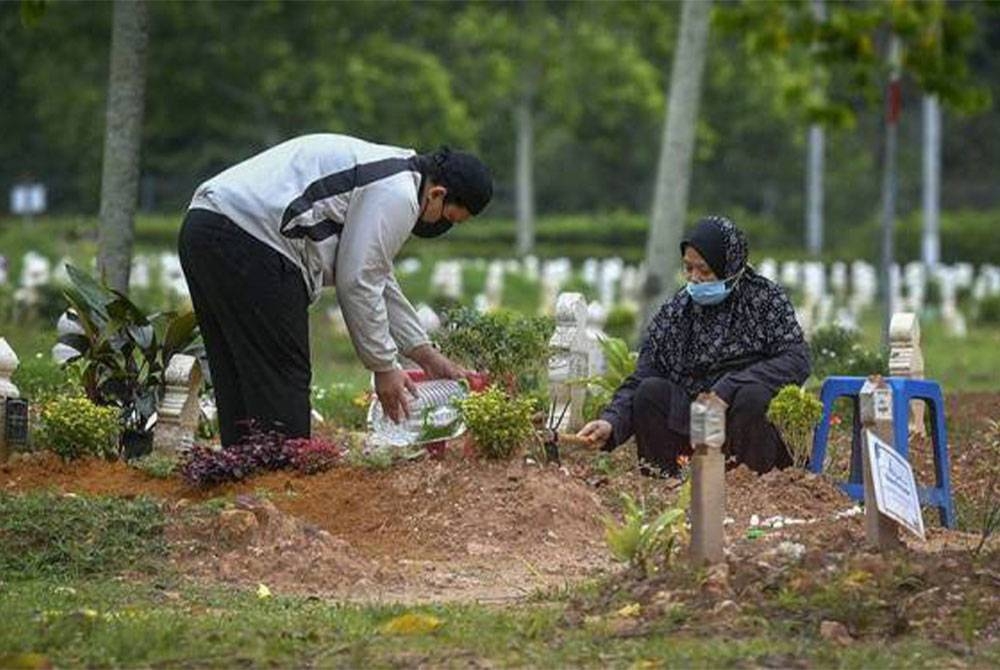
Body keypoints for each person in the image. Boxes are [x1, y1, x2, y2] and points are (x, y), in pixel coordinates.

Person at [178, 134, 492, 447]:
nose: (441, 227)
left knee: (238, 371)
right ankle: (278, 482)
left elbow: (376, 276)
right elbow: (358, 281)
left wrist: (425, 354)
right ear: (437, 194)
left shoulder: (391, 171)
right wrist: (384, 367)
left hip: (204, 226)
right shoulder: (399, 194)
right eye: (448, 218)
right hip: (252, 239)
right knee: (282, 378)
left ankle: (245, 478)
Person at [577, 215, 810, 476]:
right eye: (688, 269)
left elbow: (796, 359)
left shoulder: (764, 300)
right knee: (650, 391)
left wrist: (728, 389)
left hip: (745, 421)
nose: (695, 279)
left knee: (752, 397)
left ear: (730, 266)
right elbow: (644, 373)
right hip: (694, 424)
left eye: (705, 271)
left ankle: (753, 485)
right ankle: (666, 483)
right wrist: (611, 421)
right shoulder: (678, 311)